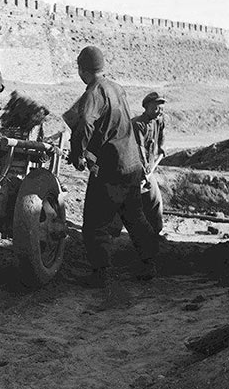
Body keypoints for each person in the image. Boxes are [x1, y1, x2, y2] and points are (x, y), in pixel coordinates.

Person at [68, 46, 160, 286]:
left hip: (111, 168)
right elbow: (114, 124)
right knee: (135, 216)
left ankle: (101, 274)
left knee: (95, 223)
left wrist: (78, 154)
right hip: (132, 163)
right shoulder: (117, 88)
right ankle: (149, 263)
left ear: (82, 70)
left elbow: (87, 122)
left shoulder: (94, 92)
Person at [132, 91, 167, 235]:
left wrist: (162, 148)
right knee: (126, 200)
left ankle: (156, 231)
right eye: (155, 107)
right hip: (134, 169)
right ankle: (112, 232)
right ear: (146, 107)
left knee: (154, 200)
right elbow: (138, 149)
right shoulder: (137, 124)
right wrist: (144, 168)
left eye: (161, 107)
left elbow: (160, 143)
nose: (159, 111)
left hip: (148, 169)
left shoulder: (159, 120)